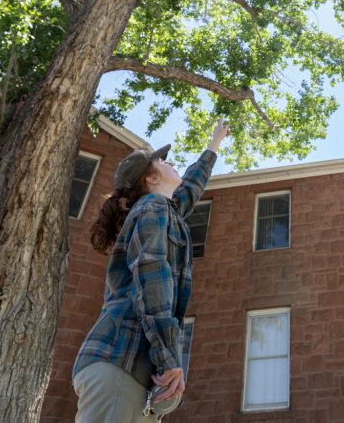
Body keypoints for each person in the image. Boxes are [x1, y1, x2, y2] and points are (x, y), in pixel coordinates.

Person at [72, 119, 229, 423]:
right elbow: (152, 278)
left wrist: (214, 144)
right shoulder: (151, 210)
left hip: (127, 368)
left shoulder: (162, 211)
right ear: (152, 177)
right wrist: (169, 358)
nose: (171, 164)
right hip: (120, 361)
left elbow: (191, 189)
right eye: (163, 161)